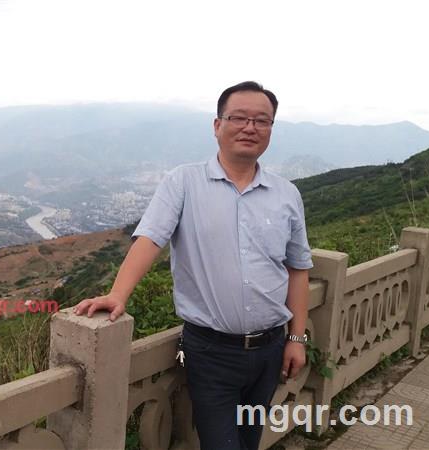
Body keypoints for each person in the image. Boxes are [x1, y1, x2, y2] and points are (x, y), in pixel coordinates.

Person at [73, 81, 312, 450]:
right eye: (239, 118)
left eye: (261, 121)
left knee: (249, 438)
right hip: (211, 352)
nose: (250, 127)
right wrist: (118, 294)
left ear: (271, 129)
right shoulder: (183, 182)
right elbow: (150, 239)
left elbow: (297, 268)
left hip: (270, 349)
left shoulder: (286, 194)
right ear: (218, 125)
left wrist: (296, 338)